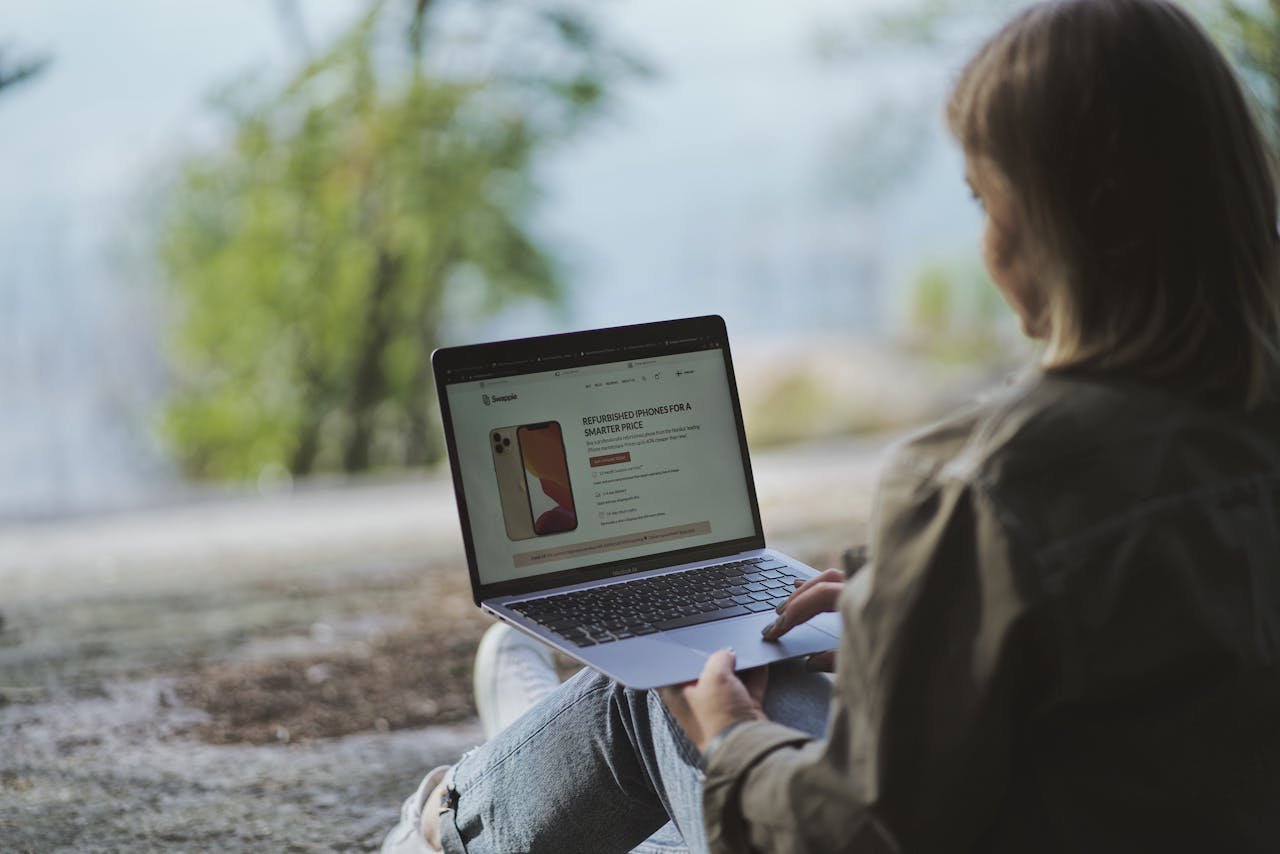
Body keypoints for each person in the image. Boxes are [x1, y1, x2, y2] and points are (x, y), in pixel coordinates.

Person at [384, 0, 1280, 850]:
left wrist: (733, 735)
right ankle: (507, 766)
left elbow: (856, 837)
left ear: (1059, 226)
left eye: (982, 202)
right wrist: (923, 616)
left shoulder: (986, 483)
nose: (985, 245)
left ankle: (448, 823)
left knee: (667, 690)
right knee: (723, 683)